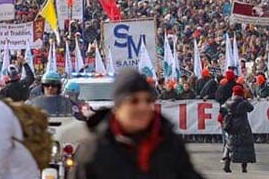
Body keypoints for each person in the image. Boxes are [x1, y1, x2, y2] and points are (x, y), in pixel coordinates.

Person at [74, 68, 204, 179]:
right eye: (134, 101)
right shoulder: (94, 150)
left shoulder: (169, 142)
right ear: (118, 106)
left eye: (148, 100)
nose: (143, 107)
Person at [220, 84, 256, 173]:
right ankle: (244, 167)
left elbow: (222, 110)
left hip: (232, 126)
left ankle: (227, 165)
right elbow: (251, 108)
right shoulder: (243, 103)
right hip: (243, 125)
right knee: (245, 146)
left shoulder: (228, 102)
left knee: (230, 145)